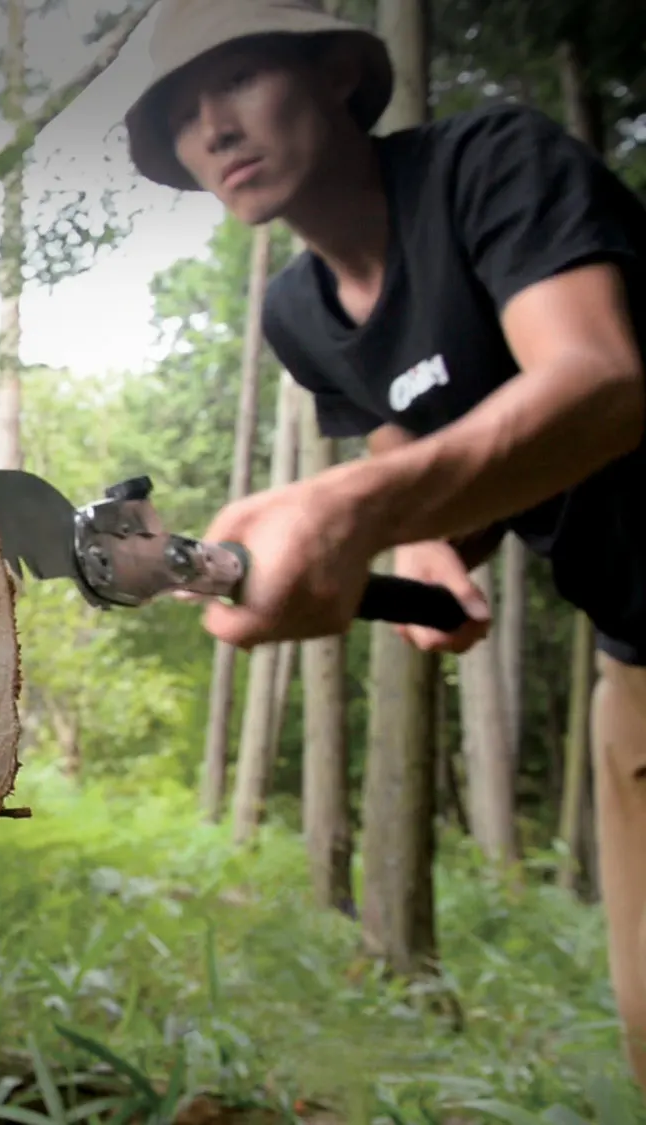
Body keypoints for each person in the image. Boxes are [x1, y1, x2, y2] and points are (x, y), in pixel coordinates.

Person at [120, 0, 646, 1089]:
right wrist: (415, 561)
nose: (209, 128)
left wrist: (352, 514)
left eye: (237, 79)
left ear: (333, 78)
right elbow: (425, 475)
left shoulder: (491, 164)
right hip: (629, 650)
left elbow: (596, 384)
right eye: (178, 114)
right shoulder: (296, 315)